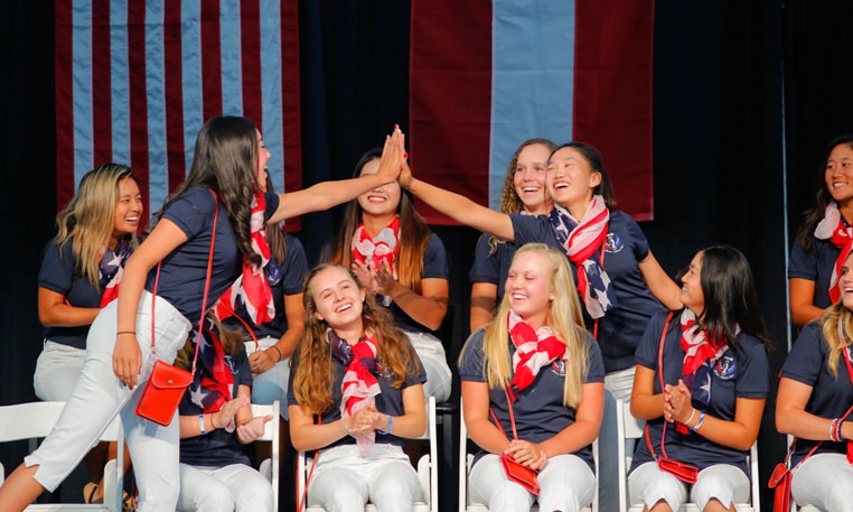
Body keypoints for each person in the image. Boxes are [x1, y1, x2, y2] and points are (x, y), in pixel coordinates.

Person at [0, 116, 406, 512]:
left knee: (160, 490)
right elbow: (138, 264)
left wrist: (378, 177)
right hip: (137, 328)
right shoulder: (200, 202)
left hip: (162, 346)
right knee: (60, 453)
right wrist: (125, 337)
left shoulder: (243, 211)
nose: (267, 156)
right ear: (239, 155)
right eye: (260, 147)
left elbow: (318, 196)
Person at [399, 140, 682, 511]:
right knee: (607, 481)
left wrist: (710, 320)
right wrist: (412, 183)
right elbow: (469, 212)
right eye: (553, 168)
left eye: (568, 165)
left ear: (595, 178)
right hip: (595, 365)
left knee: (657, 474)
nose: (557, 172)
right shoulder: (541, 231)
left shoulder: (622, 226)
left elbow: (663, 288)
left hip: (648, 360)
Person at [459, 243, 604, 512]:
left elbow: (589, 423)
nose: (516, 284)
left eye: (529, 277)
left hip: (564, 455)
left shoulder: (582, 344)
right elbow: (476, 420)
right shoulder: (484, 341)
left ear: (552, 291)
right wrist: (513, 452)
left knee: (561, 493)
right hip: (498, 454)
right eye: (512, 275)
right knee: (509, 494)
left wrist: (542, 451)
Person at [628, 245, 769, 512]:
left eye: (693, 272)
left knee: (713, 489)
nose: (683, 278)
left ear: (716, 286)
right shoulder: (661, 326)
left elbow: (744, 436)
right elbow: (638, 404)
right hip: (659, 459)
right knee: (661, 489)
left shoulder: (750, 350)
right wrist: (671, 402)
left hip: (723, 463)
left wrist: (691, 416)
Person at [34, 162, 141, 505]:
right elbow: (48, 311)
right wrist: (110, 314)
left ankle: (105, 491)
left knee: (141, 407)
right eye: (125, 200)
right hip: (66, 358)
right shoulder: (67, 248)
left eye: (138, 199)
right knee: (88, 407)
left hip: (116, 358)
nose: (136, 207)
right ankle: (108, 490)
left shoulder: (138, 256)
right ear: (100, 203)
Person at [288, 264, 427, 512]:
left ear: (362, 293)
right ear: (317, 313)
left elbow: (418, 424)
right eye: (327, 295)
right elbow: (300, 437)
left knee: (394, 491)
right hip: (333, 462)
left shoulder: (396, 343)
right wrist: (347, 425)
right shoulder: (308, 356)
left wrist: (383, 422)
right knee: (344, 496)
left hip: (389, 457)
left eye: (345, 287)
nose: (340, 297)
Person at [324, 148, 452, 403]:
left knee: (398, 378)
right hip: (349, 346)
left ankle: (399, 445)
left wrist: (392, 290)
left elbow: (435, 318)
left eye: (388, 180)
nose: (378, 186)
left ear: (402, 188)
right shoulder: (336, 250)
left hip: (416, 348)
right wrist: (362, 298)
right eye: (371, 178)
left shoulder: (425, 244)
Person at [218, 170, 308, 417]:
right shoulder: (213, 245)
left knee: (267, 394)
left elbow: (298, 325)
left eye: (255, 197)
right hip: (220, 347)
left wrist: (274, 354)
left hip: (268, 348)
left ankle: (268, 457)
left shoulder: (288, 249)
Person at [777, 241, 853, 511]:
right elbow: (785, 417)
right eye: (844, 271)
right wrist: (843, 429)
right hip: (820, 456)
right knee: (847, 493)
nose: (848, 279)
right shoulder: (817, 334)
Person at [174, 316, 275, 512]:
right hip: (178, 462)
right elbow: (157, 425)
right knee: (215, 496)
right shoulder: (167, 343)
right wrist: (213, 420)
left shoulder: (233, 343)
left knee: (259, 490)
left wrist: (248, 428)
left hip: (229, 461)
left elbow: (242, 413)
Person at [469, 139, 557, 332]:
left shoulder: (573, 234)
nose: (526, 177)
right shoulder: (494, 240)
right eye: (520, 169)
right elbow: (481, 315)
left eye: (538, 169)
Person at [789, 134, 853, 327]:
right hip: (828, 347)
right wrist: (845, 325)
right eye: (830, 166)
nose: (836, 174)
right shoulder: (814, 235)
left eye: (846, 164)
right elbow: (799, 309)